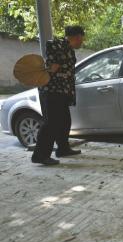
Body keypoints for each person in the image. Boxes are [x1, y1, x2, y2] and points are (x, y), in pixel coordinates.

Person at [32, 26, 85, 165]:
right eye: (82, 38)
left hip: (61, 91)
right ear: (77, 37)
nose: (82, 42)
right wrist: (52, 73)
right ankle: (40, 156)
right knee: (51, 124)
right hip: (52, 91)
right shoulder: (58, 46)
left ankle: (63, 148)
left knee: (65, 121)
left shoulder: (68, 49)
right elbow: (52, 67)